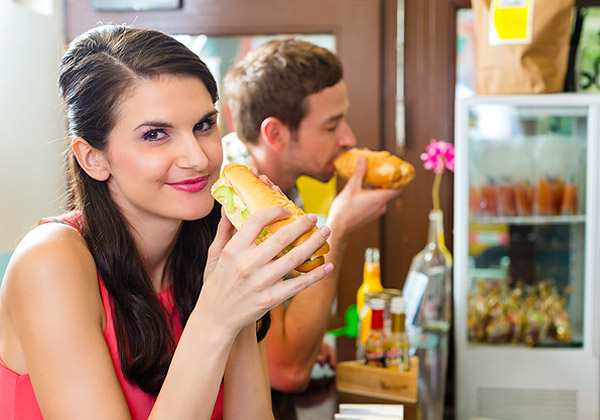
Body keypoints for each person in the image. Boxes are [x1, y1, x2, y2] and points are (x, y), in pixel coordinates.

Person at [0, 25, 332, 420]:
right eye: (155, 134)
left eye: (203, 125)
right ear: (93, 158)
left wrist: (241, 313)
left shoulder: (217, 248)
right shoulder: (49, 263)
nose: (197, 157)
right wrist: (216, 316)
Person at [221, 38, 403, 395]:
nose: (348, 138)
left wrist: (296, 335)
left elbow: (277, 336)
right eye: (331, 125)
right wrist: (337, 226)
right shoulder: (237, 205)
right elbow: (286, 372)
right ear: (275, 134)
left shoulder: (283, 186)